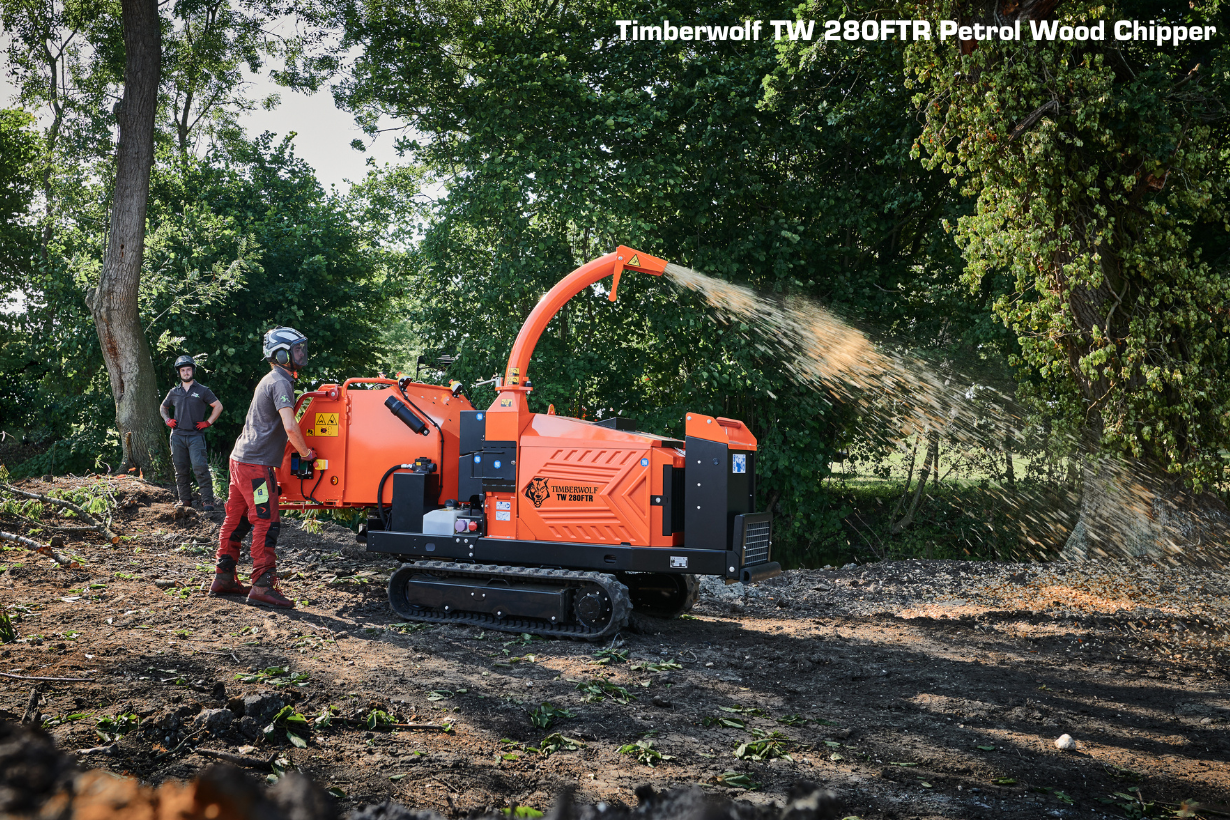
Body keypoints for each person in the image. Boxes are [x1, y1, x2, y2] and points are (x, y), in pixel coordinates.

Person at [211, 327, 315, 608]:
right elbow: (290, 427)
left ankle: (224, 577)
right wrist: (306, 454)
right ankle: (262, 585)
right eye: (296, 350)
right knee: (266, 521)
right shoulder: (280, 382)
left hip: (240, 460)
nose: (301, 355)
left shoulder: (271, 379)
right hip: (255, 466)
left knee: (237, 520)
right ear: (280, 354)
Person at [160, 355, 222, 512]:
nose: (186, 372)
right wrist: (167, 420)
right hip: (177, 436)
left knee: (200, 467)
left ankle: (208, 501)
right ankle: (185, 500)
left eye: (188, 369)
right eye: (183, 370)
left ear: (193, 370)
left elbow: (218, 406)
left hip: (195, 436)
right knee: (180, 470)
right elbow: (163, 407)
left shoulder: (202, 390)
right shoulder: (174, 392)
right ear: (179, 373)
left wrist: (208, 422)